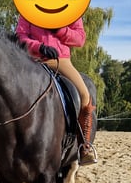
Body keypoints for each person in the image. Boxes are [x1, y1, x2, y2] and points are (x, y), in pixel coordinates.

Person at [15, 14, 97, 165]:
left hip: (59, 60)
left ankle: (84, 146)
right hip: (31, 60)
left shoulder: (70, 10)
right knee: (7, 87)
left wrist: (60, 30)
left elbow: (80, 39)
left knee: (85, 95)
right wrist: (39, 47)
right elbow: (20, 36)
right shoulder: (28, 9)